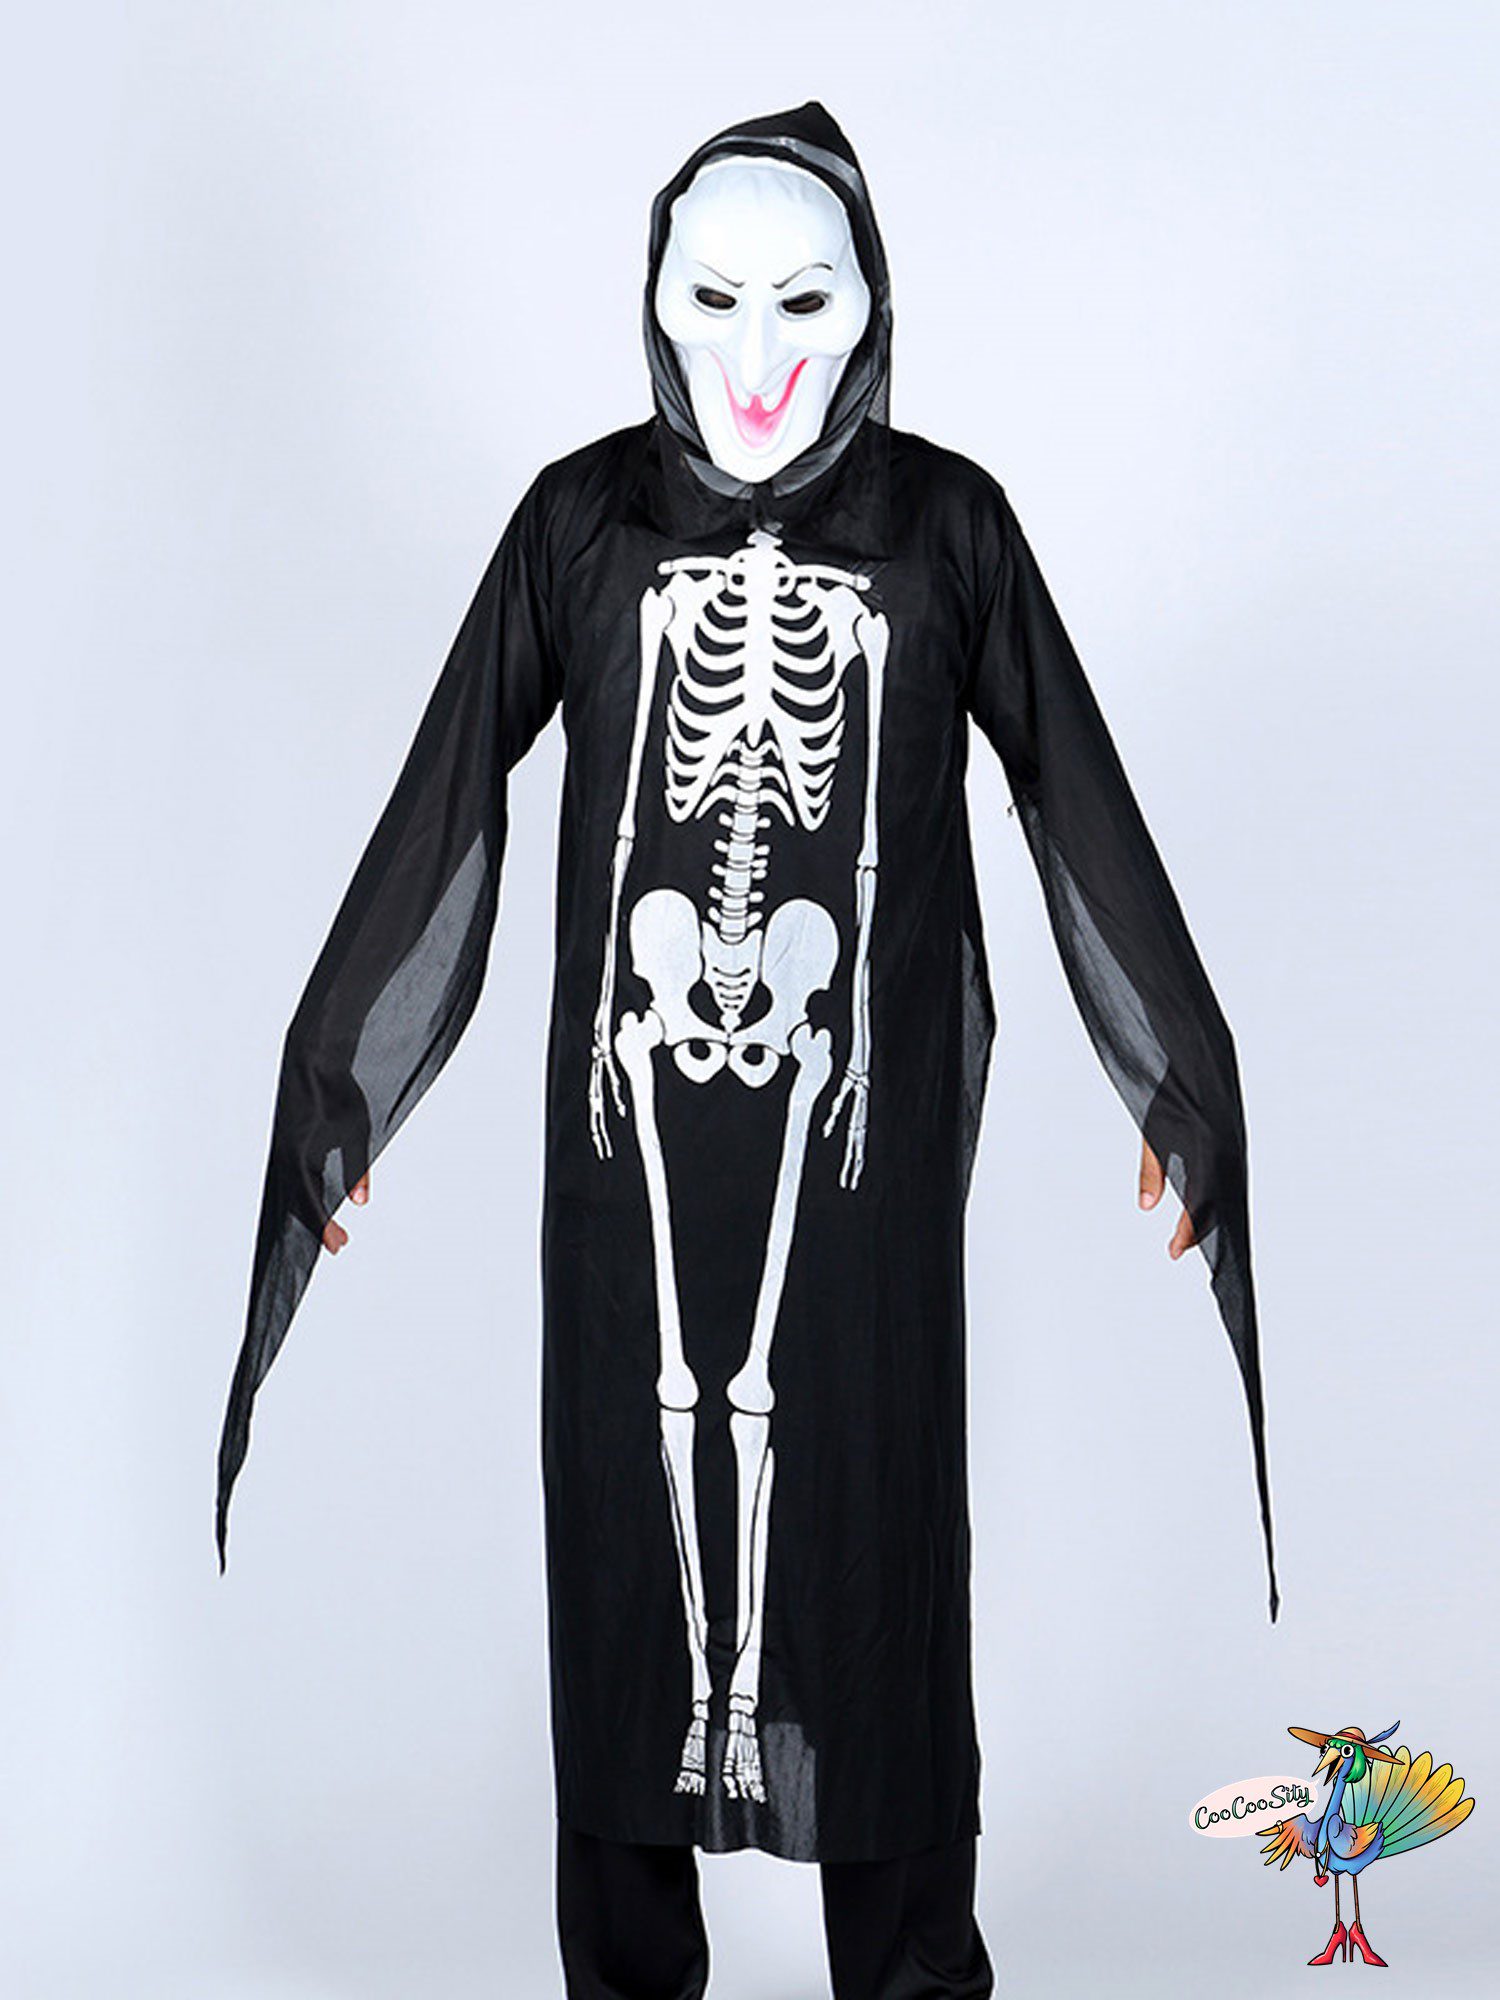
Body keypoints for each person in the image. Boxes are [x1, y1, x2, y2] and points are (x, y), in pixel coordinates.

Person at [217, 101, 1275, 1999]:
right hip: (626, 1137)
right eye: (713, 299)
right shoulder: (581, 523)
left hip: (853, 1149)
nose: (761, 353)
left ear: (872, 303)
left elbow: (1076, 797)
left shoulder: (947, 527)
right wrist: (338, 1093)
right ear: (653, 301)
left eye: (805, 298)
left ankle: (910, 1973)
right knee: (625, 1551)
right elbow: (447, 801)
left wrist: (1179, 1081)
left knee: (876, 1536)